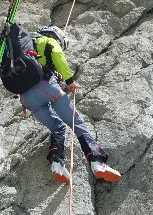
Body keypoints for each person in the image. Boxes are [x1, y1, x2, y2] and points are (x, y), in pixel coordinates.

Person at [20, 26, 121, 185]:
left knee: (57, 127)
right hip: (46, 87)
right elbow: (57, 54)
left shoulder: (23, 46)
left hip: (26, 99)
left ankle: (57, 163)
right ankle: (96, 161)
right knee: (77, 123)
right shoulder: (48, 40)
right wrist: (69, 80)